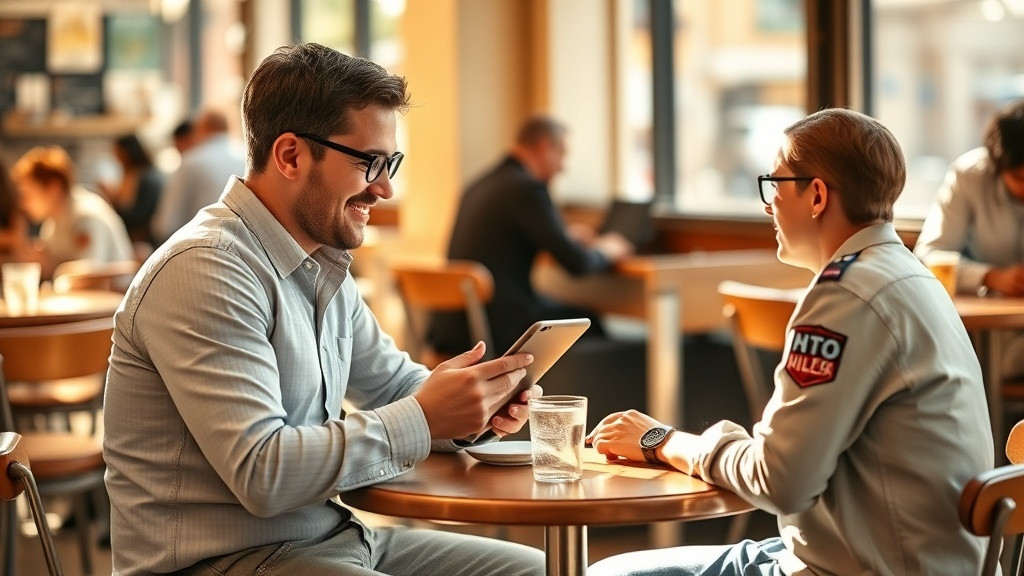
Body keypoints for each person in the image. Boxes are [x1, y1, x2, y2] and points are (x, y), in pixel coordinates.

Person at [103, 43, 546, 576]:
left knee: (543, 570)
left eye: (391, 163)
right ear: (290, 155)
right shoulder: (207, 269)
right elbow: (263, 473)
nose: (383, 187)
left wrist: (473, 407)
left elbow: (397, 389)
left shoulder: (321, 265)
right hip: (223, 562)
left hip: (333, 540)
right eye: (369, 163)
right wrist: (427, 415)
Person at [587, 108, 992, 576]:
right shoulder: (912, 276)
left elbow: (779, 482)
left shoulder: (843, 297)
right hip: (910, 558)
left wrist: (662, 441)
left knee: (606, 573)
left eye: (774, 183)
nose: (768, 203)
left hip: (857, 568)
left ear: (816, 195)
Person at [429, 115, 634, 355]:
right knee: (588, 320)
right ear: (546, 147)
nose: (562, 167)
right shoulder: (527, 189)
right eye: (562, 155)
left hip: (454, 328)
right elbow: (577, 263)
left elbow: (506, 237)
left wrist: (565, 234)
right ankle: (578, 394)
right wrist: (607, 250)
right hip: (494, 331)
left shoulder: (479, 185)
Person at [914, 98, 1024, 378]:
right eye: (1018, 177)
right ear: (997, 166)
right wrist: (990, 277)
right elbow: (929, 256)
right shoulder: (969, 177)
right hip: (978, 334)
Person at [10, 145, 134, 279]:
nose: (23, 204)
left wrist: (49, 264)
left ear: (54, 188)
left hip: (116, 296)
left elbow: (90, 272)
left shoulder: (86, 214)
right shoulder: (52, 223)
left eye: (28, 194)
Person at [152, 107, 245, 243]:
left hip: (201, 249)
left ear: (201, 128)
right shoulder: (249, 159)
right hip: (247, 250)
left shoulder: (191, 161)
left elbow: (165, 224)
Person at [98, 133, 164, 248]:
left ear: (127, 153)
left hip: (145, 241)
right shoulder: (138, 173)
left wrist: (113, 199)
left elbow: (137, 217)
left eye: (118, 153)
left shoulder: (145, 177)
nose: (116, 158)